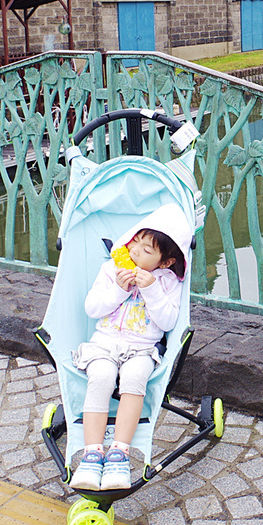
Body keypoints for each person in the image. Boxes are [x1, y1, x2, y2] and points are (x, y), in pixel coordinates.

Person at [69, 204, 191, 491]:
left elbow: (168, 320)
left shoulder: (168, 282)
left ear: (165, 262)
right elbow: (92, 308)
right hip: (104, 343)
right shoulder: (111, 270)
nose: (136, 251)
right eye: (135, 241)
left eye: (147, 251)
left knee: (135, 378)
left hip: (141, 348)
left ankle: (119, 452)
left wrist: (151, 289)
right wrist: (118, 290)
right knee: (100, 377)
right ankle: (92, 452)